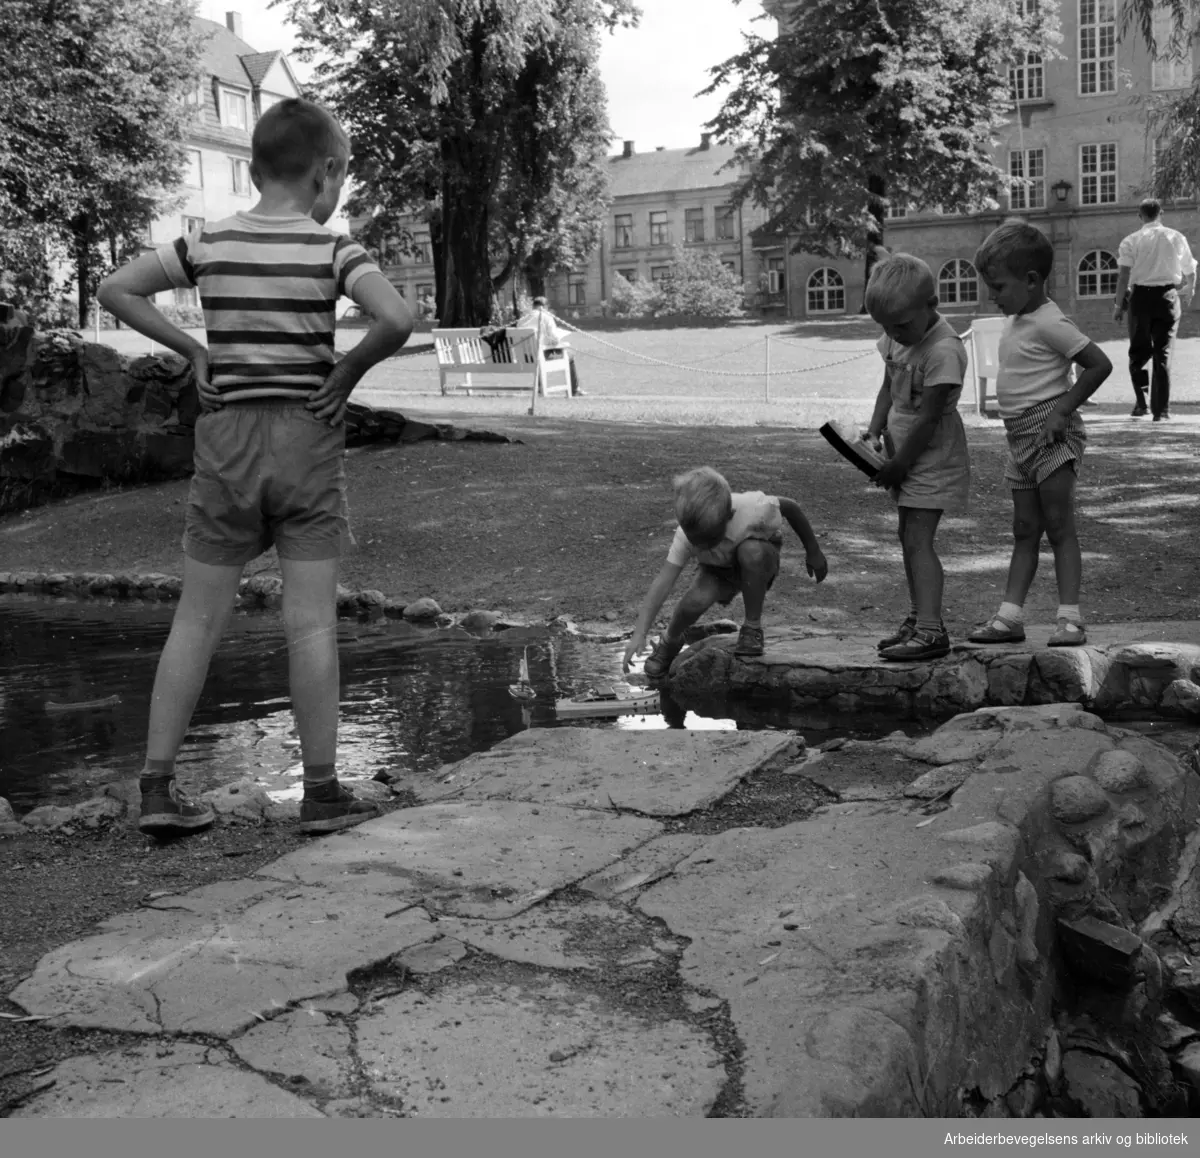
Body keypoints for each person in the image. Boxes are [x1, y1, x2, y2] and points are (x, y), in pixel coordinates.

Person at [97, 98, 414, 837]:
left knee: (197, 619)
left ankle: (157, 790)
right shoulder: (334, 250)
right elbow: (397, 320)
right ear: (328, 172)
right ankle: (322, 793)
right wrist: (346, 375)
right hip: (308, 440)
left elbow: (116, 289)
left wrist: (196, 351)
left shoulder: (208, 242)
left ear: (253, 168)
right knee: (309, 626)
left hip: (227, 445)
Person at [969, 220, 1112, 648]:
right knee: (1024, 529)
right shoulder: (1019, 317)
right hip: (1019, 439)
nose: (991, 296)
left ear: (1031, 281)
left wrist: (1064, 409)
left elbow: (1099, 364)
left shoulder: (1051, 322)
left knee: (1059, 527)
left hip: (1051, 434)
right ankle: (1010, 617)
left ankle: (1071, 618)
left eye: (997, 287)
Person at [862, 253, 971, 662]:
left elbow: (929, 419)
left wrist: (900, 466)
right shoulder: (897, 336)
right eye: (885, 327)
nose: (894, 335)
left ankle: (930, 632)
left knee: (918, 539)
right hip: (901, 452)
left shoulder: (943, 350)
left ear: (932, 304)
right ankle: (919, 619)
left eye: (901, 325)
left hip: (932, 457)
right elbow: (888, 388)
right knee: (907, 537)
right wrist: (874, 431)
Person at [622, 467, 828, 679]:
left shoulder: (754, 508)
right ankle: (671, 639)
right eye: (697, 544)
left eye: (710, 541)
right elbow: (663, 582)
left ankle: (752, 628)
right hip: (716, 569)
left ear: (730, 516)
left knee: (751, 552)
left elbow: (791, 508)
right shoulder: (686, 534)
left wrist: (813, 551)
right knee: (693, 602)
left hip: (757, 561)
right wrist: (639, 633)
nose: (704, 547)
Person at [1113, 198, 1196, 421]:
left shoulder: (1131, 240)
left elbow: (1123, 276)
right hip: (1167, 296)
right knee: (1163, 353)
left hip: (1140, 298)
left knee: (1138, 354)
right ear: (1161, 214)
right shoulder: (1175, 237)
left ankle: (1142, 404)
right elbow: (1190, 269)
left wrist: (1119, 305)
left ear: (1140, 216)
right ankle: (1162, 411)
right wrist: (1190, 288)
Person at [516, 296, 585, 396]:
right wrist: (562, 343)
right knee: (569, 356)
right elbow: (555, 339)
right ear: (545, 307)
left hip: (524, 357)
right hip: (542, 356)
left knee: (538, 353)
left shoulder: (522, 320)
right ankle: (574, 389)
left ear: (533, 306)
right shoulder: (546, 318)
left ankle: (540, 387)